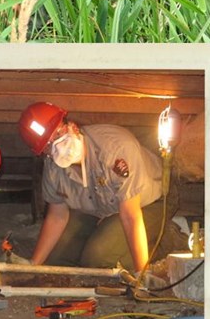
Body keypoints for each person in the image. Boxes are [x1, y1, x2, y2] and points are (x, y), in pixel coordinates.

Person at [16, 102, 185, 273]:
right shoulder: (53, 168)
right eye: (48, 145)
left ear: (73, 127)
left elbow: (130, 216)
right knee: (56, 258)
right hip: (100, 209)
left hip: (149, 202)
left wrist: (142, 274)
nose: (57, 146)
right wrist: (34, 265)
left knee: (98, 258)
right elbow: (57, 216)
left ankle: (165, 238)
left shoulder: (115, 150)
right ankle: (105, 237)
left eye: (59, 134)